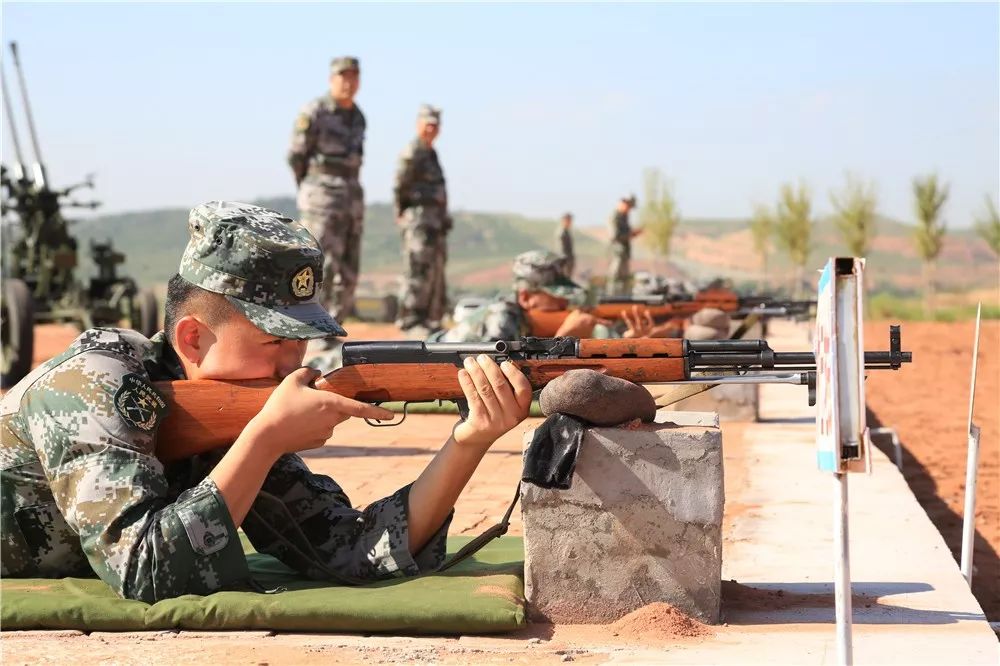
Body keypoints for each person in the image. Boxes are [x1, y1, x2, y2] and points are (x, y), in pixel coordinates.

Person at [0, 201, 532, 603]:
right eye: (273, 342)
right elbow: (147, 572)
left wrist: (469, 441)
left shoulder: (229, 410)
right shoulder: (93, 386)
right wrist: (264, 438)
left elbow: (350, 549)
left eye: (300, 343)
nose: (291, 366)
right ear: (192, 339)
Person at [288, 56, 366, 322]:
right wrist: (311, 187)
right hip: (321, 197)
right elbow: (297, 155)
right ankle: (312, 325)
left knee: (348, 267)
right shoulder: (316, 111)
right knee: (318, 262)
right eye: (343, 77)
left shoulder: (358, 117)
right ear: (332, 80)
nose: (349, 82)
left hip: (351, 197)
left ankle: (333, 324)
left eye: (353, 77)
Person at [436, 250, 655, 343]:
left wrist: (628, 344)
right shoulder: (501, 317)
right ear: (525, 297)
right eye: (555, 295)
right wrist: (564, 337)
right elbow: (509, 382)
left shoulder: (525, 319)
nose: (564, 302)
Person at [394, 104, 450, 335]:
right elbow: (401, 183)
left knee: (434, 269)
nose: (431, 129)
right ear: (418, 125)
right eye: (428, 124)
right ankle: (411, 319)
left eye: (435, 125)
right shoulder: (414, 150)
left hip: (434, 221)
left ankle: (429, 319)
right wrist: (403, 211)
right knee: (417, 268)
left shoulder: (431, 152)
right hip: (418, 219)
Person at [607, 194, 641, 296]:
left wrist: (633, 234)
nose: (629, 209)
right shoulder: (615, 217)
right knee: (615, 276)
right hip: (617, 251)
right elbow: (615, 236)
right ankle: (611, 296)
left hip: (624, 251)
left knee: (624, 277)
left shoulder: (624, 217)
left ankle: (623, 296)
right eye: (628, 206)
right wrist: (631, 234)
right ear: (623, 204)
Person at [553, 212, 575, 278]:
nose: (570, 222)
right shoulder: (562, 232)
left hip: (567, 260)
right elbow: (562, 250)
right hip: (564, 261)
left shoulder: (566, 231)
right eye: (568, 220)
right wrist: (565, 261)